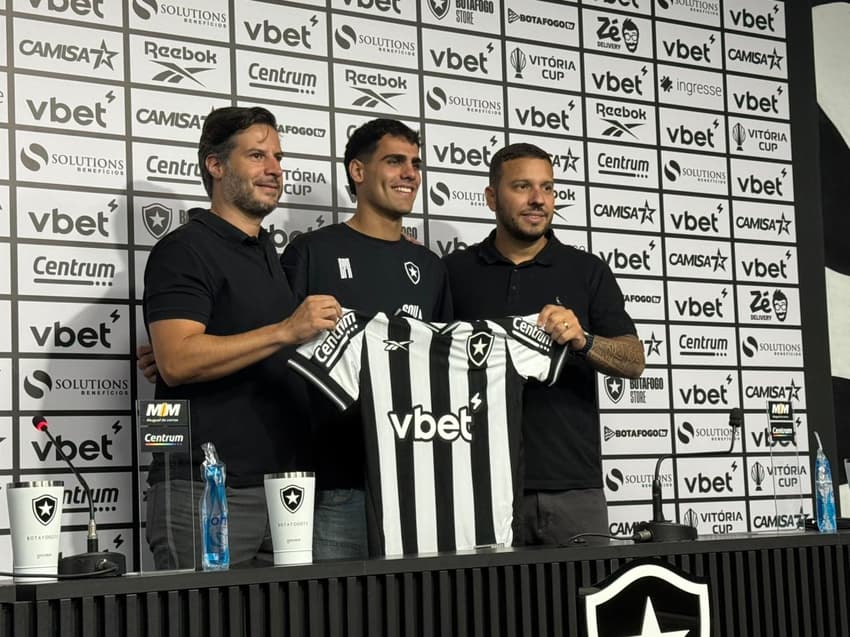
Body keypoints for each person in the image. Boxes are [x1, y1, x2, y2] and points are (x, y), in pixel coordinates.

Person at [142, 106, 341, 568]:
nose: (274, 170)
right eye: (256, 156)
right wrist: (286, 330)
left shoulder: (267, 255)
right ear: (215, 165)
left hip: (279, 492)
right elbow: (176, 361)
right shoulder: (183, 248)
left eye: (277, 156)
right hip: (204, 491)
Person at [442, 143, 645, 545]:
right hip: (476, 486)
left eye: (547, 188)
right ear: (491, 197)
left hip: (573, 489)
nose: (538, 199)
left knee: (584, 604)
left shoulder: (586, 270)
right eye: (522, 186)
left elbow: (634, 360)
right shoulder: (453, 272)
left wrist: (583, 340)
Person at [280, 119, 453, 559]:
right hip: (336, 488)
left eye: (415, 163)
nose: (410, 174)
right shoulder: (311, 252)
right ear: (357, 171)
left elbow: (447, 371)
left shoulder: (430, 266)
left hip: (417, 491)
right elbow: (275, 347)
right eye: (394, 161)